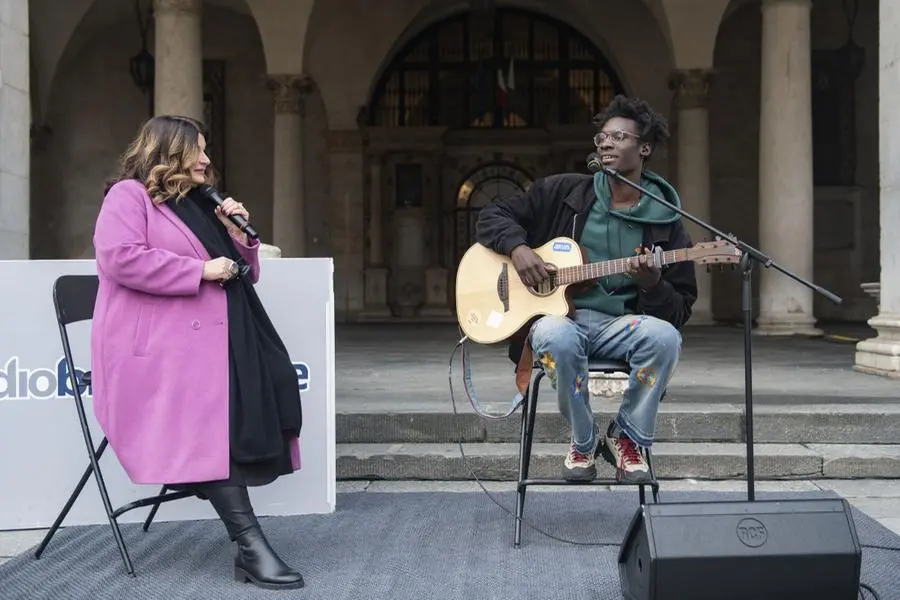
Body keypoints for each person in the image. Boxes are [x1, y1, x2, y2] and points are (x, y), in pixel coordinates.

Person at [91, 115, 305, 590]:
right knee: (207, 415)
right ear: (168, 152)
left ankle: (248, 543)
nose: (207, 160)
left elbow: (244, 272)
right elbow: (120, 257)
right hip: (158, 352)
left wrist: (238, 235)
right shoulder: (128, 196)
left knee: (270, 378)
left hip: (212, 339)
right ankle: (251, 545)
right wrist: (200, 272)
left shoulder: (199, 204)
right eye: (197, 151)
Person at [475, 95, 697, 484]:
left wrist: (654, 285)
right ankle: (583, 441)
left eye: (619, 136)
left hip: (624, 327)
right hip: (565, 321)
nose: (606, 143)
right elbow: (493, 214)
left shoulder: (666, 221)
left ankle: (625, 436)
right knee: (554, 336)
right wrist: (519, 248)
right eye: (602, 137)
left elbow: (678, 311)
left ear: (644, 148)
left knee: (665, 338)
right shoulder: (565, 192)